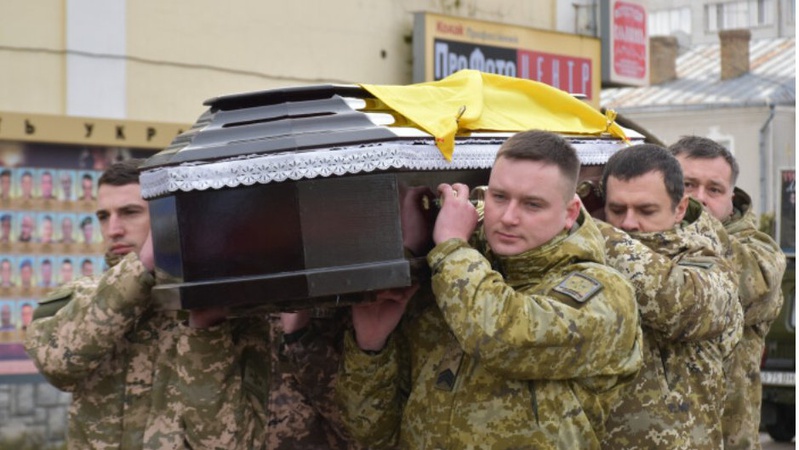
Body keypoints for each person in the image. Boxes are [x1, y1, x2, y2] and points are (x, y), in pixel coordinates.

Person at [337, 130, 643, 448]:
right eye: (499, 197)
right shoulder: (450, 283)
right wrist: (371, 347)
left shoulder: (606, 295)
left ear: (569, 213)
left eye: (532, 204)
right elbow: (372, 434)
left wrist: (453, 247)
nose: (508, 217)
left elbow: (500, 337)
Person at [25, 159, 270, 448]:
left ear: (166, 217)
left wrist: (205, 329)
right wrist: (142, 266)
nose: (113, 229)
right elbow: (58, 364)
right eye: (104, 216)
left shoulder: (231, 309)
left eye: (129, 212)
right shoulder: (82, 296)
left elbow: (229, 443)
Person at [597, 144, 743, 449]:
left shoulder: (706, 262)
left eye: (646, 210)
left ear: (679, 209)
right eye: (617, 209)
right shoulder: (589, 256)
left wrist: (592, 230)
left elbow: (678, 306)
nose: (628, 223)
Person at [670, 136, 787, 449]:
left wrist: (690, 215)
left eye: (714, 189)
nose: (699, 199)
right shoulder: (641, 238)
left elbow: (746, 287)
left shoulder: (760, 251)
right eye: (688, 185)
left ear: (731, 198)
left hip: (724, 438)